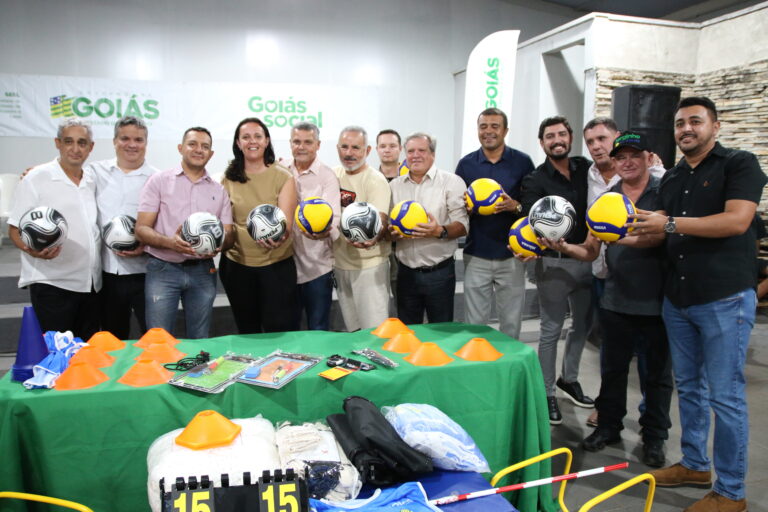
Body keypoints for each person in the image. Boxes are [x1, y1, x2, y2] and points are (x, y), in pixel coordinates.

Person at [631, 97, 765, 512]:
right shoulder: (672, 177)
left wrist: (668, 223)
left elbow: (737, 221)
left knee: (725, 397)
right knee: (689, 387)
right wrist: (615, 233)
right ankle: (694, 464)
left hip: (725, 298)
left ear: (715, 126)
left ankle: (731, 492)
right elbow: (660, 232)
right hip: (679, 298)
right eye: (679, 123)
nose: (686, 129)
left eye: (695, 121)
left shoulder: (739, 164)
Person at [541, 133, 673, 467]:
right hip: (615, 298)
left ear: (647, 158)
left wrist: (616, 236)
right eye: (621, 157)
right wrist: (564, 247)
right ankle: (609, 427)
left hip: (656, 301)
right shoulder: (607, 198)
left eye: (634, 156)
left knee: (656, 375)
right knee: (612, 371)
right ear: (614, 162)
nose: (627, 162)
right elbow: (591, 249)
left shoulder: (664, 190)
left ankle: (654, 437)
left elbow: (657, 236)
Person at [520, 116, 594, 425]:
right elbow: (530, 218)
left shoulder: (587, 169)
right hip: (553, 262)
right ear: (542, 143)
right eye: (550, 136)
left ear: (570, 137)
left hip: (589, 258)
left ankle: (569, 379)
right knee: (551, 330)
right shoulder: (535, 179)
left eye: (561, 134)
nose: (556, 140)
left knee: (583, 326)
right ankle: (547, 392)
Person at [136, 127, 234, 339]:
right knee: (159, 339)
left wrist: (219, 244)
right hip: (163, 269)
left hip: (203, 270)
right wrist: (170, 243)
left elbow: (229, 234)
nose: (199, 150)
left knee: (200, 339)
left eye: (205, 146)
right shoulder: (158, 181)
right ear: (180, 148)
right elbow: (141, 229)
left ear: (211, 154)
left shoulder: (219, 190)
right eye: (192, 144)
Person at [8, 118, 101, 340]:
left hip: (90, 285)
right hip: (52, 284)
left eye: (82, 142)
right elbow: (14, 229)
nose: (75, 149)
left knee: (85, 354)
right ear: (57, 143)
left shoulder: (92, 179)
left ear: (91, 147)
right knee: (56, 353)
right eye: (69, 141)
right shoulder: (36, 178)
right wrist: (33, 251)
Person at [455, 108, 534, 339]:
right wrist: (467, 209)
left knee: (511, 324)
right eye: (483, 126)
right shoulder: (466, 164)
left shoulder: (523, 162)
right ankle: (477, 361)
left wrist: (515, 206)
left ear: (505, 131)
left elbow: (532, 207)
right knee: (474, 326)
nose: (488, 131)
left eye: (494, 126)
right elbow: (457, 208)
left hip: (512, 254)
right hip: (476, 254)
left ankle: (508, 363)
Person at [219, 117, 298, 334]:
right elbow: (225, 222)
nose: (252, 141)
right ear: (238, 143)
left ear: (266, 141)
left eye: (257, 136)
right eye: (245, 137)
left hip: (276, 266)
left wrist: (280, 237)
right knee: (247, 330)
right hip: (237, 266)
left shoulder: (283, 176)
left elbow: (287, 223)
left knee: (278, 330)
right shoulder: (227, 177)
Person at [389, 133, 468, 324]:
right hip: (406, 273)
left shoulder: (452, 182)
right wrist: (392, 234)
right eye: (410, 151)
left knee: (441, 332)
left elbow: (462, 226)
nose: (415, 155)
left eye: (421, 150)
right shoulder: (394, 186)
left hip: (439, 273)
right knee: (408, 333)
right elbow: (387, 228)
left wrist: (438, 231)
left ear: (433, 154)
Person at [90, 116, 157, 339]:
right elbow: (67, 173)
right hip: (108, 273)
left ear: (146, 143)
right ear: (114, 141)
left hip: (147, 273)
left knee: (153, 337)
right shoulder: (95, 172)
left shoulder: (157, 178)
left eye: (138, 139)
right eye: (125, 138)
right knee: (113, 337)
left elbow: (165, 223)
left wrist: (145, 246)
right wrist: (35, 172)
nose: (132, 144)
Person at [333, 126, 391, 331]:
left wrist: (374, 236)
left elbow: (381, 219)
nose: (349, 153)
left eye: (356, 148)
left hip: (369, 267)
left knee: (374, 331)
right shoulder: (333, 175)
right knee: (353, 331)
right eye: (344, 147)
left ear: (367, 151)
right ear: (337, 148)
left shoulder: (375, 180)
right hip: (340, 264)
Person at [287, 122, 341, 330]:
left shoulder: (327, 176)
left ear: (318, 145)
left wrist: (324, 231)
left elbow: (334, 219)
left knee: (318, 328)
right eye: (296, 142)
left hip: (318, 269)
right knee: (288, 329)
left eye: (308, 142)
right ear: (290, 143)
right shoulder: (281, 171)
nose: (301, 147)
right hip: (285, 266)